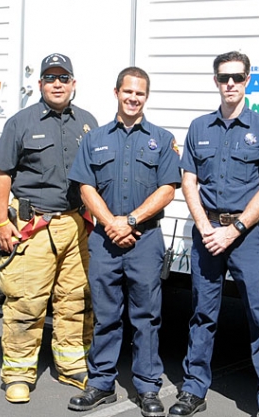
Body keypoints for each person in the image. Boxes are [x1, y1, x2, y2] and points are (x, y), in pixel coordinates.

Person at [170, 51, 259, 417]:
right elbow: (189, 180)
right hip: (207, 233)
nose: (230, 84)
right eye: (224, 78)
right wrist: (205, 226)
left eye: (237, 77)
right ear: (216, 81)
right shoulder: (199, 128)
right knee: (202, 313)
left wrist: (234, 230)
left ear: (248, 79)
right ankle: (193, 390)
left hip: (246, 235)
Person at [66, 67, 181, 416]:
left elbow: (168, 189)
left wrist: (130, 220)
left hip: (145, 240)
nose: (133, 98)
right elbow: (86, 187)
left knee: (147, 316)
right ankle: (101, 384)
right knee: (105, 315)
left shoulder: (161, 139)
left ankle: (148, 388)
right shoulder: (94, 138)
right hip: (104, 239)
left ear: (146, 97)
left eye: (140, 93)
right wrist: (111, 223)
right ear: (116, 92)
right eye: (128, 91)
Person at [0, 52, 98, 404]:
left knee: (75, 300)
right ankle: (18, 373)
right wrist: (2, 222)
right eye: (50, 78)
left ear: (73, 84)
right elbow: (2, 173)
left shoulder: (88, 123)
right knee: (26, 301)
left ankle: (72, 365)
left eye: (63, 78)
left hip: (75, 224)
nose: (57, 84)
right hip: (33, 227)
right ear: (39, 85)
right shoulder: (20, 123)